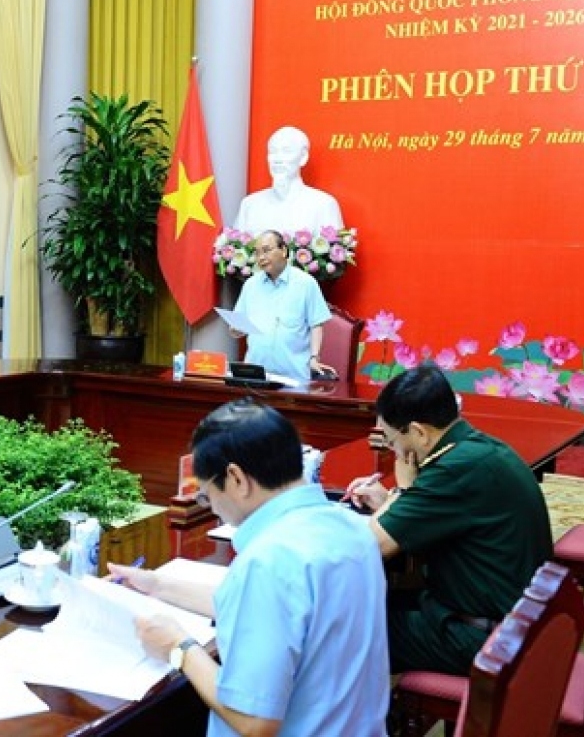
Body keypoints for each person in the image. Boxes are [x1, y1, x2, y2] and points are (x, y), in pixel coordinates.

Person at [109, 399, 388, 737]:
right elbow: (277, 610)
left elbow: (254, 721)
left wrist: (179, 649)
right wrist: (156, 585)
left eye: (207, 494)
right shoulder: (349, 527)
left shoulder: (271, 559)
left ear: (236, 478)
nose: (209, 505)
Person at [344, 364, 553, 676]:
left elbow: (370, 545)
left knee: (343, 631)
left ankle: (349, 723)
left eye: (390, 441)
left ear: (418, 432)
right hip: (515, 622)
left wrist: (402, 490)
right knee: (373, 603)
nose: (394, 451)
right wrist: (394, 498)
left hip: (489, 642)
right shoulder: (475, 448)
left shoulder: (455, 470)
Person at [230, 230, 337, 382]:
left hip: (293, 377)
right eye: (257, 253)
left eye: (266, 251)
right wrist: (236, 329)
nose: (261, 257)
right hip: (255, 375)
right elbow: (237, 328)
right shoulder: (251, 285)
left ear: (284, 250)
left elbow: (316, 324)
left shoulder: (305, 283)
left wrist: (314, 357)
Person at [234, 126, 343, 239]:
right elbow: (235, 250)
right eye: (273, 151)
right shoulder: (250, 204)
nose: (277, 160)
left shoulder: (323, 205)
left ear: (303, 157)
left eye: (286, 151)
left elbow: (333, 252)